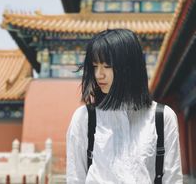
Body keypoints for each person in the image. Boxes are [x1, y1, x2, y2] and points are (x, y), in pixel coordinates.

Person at [66, 29, 182, 184]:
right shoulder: (85, 118)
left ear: (129, 68)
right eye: (95, 66)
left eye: (107, 66)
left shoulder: (162, 117)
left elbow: (173, 179)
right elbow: (75, 178)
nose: (99, 74)